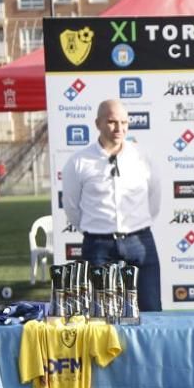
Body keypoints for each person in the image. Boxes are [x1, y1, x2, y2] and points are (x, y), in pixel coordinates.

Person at [62, 99, 162, 311]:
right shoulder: (78, 162)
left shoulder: (142, 157)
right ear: (97, 123)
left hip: (140, 240)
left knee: (151, 309)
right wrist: (97, 229)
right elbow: (71, 206)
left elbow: (154, 199)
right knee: (101, 315)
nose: (119, 128)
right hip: (98, 245)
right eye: (112, 122)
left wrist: (138, 225)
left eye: (124, 122)